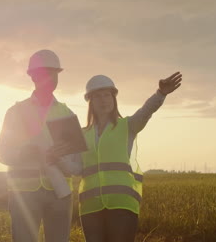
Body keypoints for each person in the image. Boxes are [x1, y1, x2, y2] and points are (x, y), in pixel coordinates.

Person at [65, 72, 182, 242]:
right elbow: (76, 168)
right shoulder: (82, 135)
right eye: (98, 96)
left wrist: (160, 93)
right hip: (90, 206)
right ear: (90, 102)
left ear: (114, 98)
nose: (104, 100)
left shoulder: (128, 125)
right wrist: (58, 159)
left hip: (122, 203)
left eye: (107, 95)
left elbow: (146, 112)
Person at [0, 49, 82, 242]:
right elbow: (1, 152)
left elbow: (76, 160)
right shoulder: (15, 112)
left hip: (59, 192)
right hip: (24, 193)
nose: (50, 78)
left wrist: (61, 158)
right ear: (33, 77)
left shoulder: (66, 113)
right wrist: (22, 153)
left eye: (54, 73)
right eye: (45, 73)